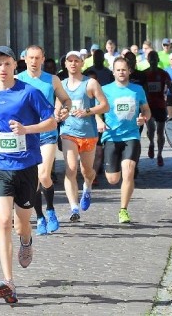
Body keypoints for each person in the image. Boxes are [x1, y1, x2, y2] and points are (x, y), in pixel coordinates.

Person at [0, 46, 57, 304]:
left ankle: (27, 239)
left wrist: (26, 129)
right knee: (4, 222)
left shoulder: (28, 92)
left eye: (7, 63)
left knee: (21, 224)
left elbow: (51, 122)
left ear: (14, 66)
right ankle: (8, 281)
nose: (2, 68)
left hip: (26, 167)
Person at [16, 44, 71, 235]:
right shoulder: (18, 80)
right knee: (33, 181)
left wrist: (64, 110)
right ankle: (40, 217)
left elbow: (66, 100)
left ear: (43, 58)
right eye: (30, 58)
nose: (33, 61)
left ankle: (51, 209)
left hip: (47, 134)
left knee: (43, 175)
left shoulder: (52, 80)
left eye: (37, 58)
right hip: (26, 136)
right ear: (24, 59)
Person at [56, 51, 110, 222]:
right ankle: (74, 208)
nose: (73, 63)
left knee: (86, 170)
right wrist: (59, 115)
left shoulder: (91, 83)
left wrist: (87, 111)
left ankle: (87, 187)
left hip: (88, 133)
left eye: (76, 61)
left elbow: (105, 106)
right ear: (65, 64)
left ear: (82, 63)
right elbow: (57, 108)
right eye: (69, 60)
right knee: (70, 168)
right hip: (68, 132)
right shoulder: (61, 85)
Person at [97, 57, 151, 223]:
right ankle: (116, 167)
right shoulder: (105, 90)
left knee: (128, 171)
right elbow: (97, 110)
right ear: (113, 72)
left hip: (131, 136)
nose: (121, 72)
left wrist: (144, 119)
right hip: (111, 136)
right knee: (113, 179)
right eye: (118, 70)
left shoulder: (137, 90)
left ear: (129, 71)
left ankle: (123, 210)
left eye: (124, 69)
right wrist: (99, 121)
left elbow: (147, 110)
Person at [143, 51, 172, 167]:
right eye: (151, 59)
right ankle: (151, 143)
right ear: (148, 60)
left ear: (158, 60)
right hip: (148, 106)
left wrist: (169, 88)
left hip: (160, 105)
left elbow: (171, 89)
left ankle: (160, 154)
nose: (153, 61)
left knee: (160, 131)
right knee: (151, 129)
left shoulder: (164, 74)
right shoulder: (144, 74)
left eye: (155, 58)